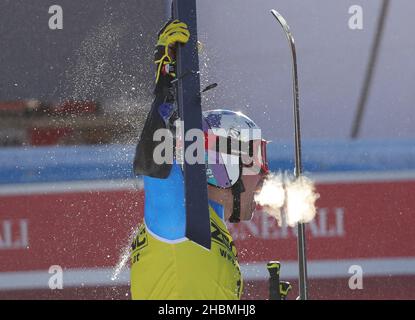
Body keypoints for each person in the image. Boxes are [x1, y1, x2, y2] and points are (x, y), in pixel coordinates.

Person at [130, 19, 269, 300]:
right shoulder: (179, 212)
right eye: (254, 164)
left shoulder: (209, 215)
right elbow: (152, 162)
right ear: (224, 167)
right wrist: (165, 84)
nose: (264, 178)